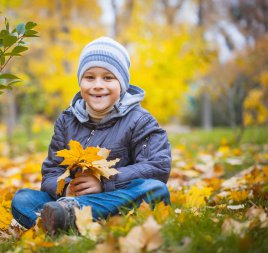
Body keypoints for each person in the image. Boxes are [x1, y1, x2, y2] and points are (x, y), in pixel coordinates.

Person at [11, 36, 171, 234]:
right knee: (23, 199)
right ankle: (68, 217)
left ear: (122, 83)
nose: (97, 85)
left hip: (114, 197)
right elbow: (51, 172)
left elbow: (157, 167)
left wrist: (105, 183)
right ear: (81, 82)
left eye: (108, 78)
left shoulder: (140, 120)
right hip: (68, 199)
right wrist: (67, 189)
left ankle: (69, 219)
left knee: (155, 190)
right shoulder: (66, 121)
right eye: (90, 77)